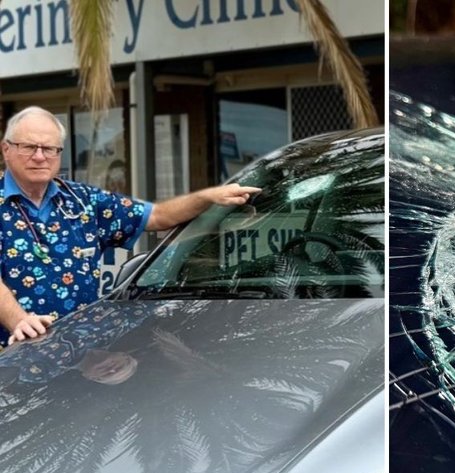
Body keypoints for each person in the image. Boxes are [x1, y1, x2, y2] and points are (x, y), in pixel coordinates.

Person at [0, 106, 260, 346]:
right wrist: (19, 320)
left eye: (49, 148)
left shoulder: (84, 201)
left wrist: (208, 197)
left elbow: (156, 216)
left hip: (80, 360)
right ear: (6, 149)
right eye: (29, 147)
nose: (39, 156)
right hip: (14, 356)